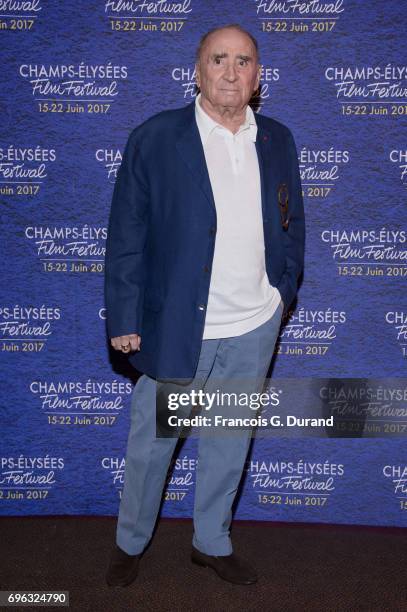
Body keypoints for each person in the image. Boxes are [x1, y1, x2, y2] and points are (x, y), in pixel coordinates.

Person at [104, 23, 305, 587]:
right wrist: (124, 316)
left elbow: (293, 226)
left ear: (258, 76)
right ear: (198, 69)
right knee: (152, 443)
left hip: (253, 324)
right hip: (174, 326)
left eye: (244, 61)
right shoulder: (155, 137)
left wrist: (280, 295)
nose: (231, 72)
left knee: (228, 441)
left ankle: (211, 541)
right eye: (220, 59)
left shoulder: (277, 139)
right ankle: (129, 541)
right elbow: (126, 234)